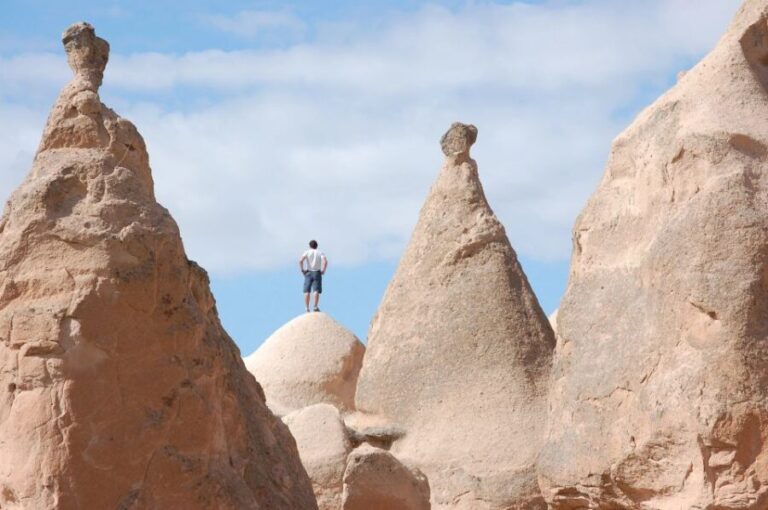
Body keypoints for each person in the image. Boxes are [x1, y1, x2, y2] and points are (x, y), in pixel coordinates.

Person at [299, 240, 327, 313]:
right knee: (316, 290)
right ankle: (315, 306)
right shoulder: (320, 252)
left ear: (309, 246)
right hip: (317, 272)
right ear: (316, 246)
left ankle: (307, 308)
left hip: (308, 272)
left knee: (306, 290)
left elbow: (300, 261)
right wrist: (323, 270)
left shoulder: (307, 252)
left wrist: (302, 270)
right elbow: (325, 261)